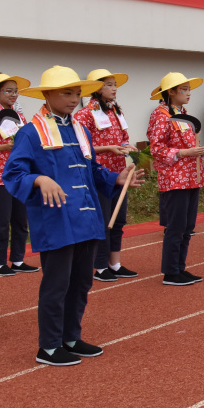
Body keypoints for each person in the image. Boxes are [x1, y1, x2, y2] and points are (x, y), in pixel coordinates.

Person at [4, 66, 143, 366]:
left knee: (81, 282)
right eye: (66, 92)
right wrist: (39, 180)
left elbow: (91, 170)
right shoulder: (31, 132)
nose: (73, 98)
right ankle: (49, 346)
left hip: (87, 217)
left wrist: (115, 179)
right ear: (47, 95)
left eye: (77, 93)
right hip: (55, 220)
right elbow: (13, 173)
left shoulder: (79, 129)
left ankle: (70, 336)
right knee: (57, 285)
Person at [148, 72, 204, 286]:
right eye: (184, 89)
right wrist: (184, 153)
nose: (189, 93)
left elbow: (190, 146)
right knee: (176, 227)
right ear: (171, 92)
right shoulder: (160, 115)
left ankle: (180, 267)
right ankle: (171, 271)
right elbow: (157, 149)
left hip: (192, 177)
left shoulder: (183, 114)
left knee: (187, 227)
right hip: (174, 178)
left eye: (189, 89)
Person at [74, 69, 138, 281]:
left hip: (119, 172)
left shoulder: (116, 111)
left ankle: (115, 263)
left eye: (114, 84)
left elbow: (123, 137)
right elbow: (82, 146)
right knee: (103, 221)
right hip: (99, 175)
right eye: (108, 85)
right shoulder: (84, 114)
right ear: (96, 88)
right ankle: (100, 266)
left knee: (118, 220)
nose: (114, 88)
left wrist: (126, 146)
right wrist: (108, 148)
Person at [0, 73, 37, 277]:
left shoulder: (19, 116)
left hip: (20, 174)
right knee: (1, 221)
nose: (14, 95)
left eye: (15, 91)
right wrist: (5, 145)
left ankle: (18, 260)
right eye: (8, 91)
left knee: (21, 220)